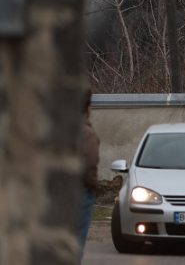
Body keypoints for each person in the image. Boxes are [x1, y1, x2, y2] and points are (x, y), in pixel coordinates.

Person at [79, 88, 100, 261]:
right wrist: (94, 187)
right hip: (80, 192)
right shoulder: (87, 133)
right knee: (77, 241)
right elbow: (90, 165)